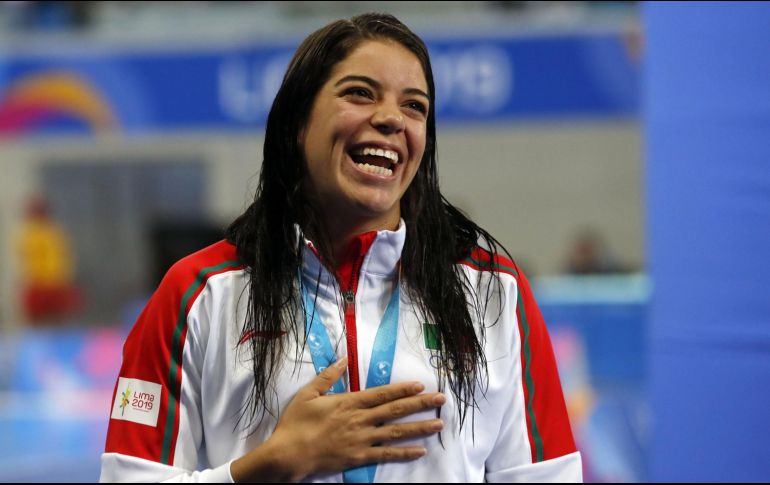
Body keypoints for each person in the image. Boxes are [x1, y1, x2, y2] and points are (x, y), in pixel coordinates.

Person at [100, 13, 581, 483]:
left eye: (415, 106)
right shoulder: (198, 294)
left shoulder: (493, 292)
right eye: (359, 93)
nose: (392, 118)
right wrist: (267, 467)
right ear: (297, 124)